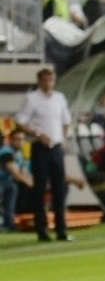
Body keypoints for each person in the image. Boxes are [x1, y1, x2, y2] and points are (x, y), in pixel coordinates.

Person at [15, 68, 74, 242]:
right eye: (46, 80)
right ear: (40, 81)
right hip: (40, 147)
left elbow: (66, 120)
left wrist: (63, 138)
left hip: (56, 147)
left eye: (51, 80)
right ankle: (42, 229)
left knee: (59, 188)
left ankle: (61, 229)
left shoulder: (59, 98)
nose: (49, 83)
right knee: (40, 188)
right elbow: (20, 122)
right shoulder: (32, 99)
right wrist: (37, 134)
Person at [0, 131, 33, 231]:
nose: (19, 142)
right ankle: (8, 222)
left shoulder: (19, 154)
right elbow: (16, 173)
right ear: (10, 139)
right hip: (2, 182)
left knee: (12, 188)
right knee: (11, 188)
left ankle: (9, 224)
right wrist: (31, 184)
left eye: (22, 140)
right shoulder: (6, 152)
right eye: (16, 139)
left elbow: (23, 172)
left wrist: (33, 182)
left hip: (8, 183)